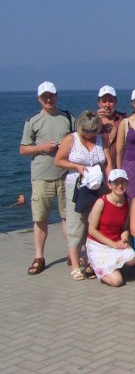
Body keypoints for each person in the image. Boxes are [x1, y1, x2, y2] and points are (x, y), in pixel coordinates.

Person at [21, 82, 75, 276]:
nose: (48, 99)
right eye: (44, 96)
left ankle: (72, 254)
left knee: (67, 217)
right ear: (39, 99)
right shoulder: (33, 120)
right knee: (40, 218)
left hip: (65, 175)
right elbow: (23, 149)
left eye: (51, 95)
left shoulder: (68, 118)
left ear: (56, 96)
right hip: (41, 176)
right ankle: (39, 257)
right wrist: (41, 148)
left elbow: (76, 140)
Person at [55, 110, 112, 280]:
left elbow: (108, 162)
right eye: (86, 131)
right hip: (77, 187)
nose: (89, 134)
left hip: (98, 186)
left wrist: (111, 181)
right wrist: (76, 166)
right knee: (76, 225)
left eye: (93, 130)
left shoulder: (102, 139)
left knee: (95, 224)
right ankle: (75, 265)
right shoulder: (71, 139)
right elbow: (58, 160)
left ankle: (91, 263)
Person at [86, 169, 135, 286]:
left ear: (127, 183)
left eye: (123, 182)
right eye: (116, 182)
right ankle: (94, 266)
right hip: (98, 244)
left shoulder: (127, 202)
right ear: (109, 185)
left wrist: (123, 240)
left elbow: (125, 228)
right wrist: (113, 244)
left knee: (132, 258)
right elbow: (92, 230)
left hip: (115, 242)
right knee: (117, 281)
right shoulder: (101, 202)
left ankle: (112, 266)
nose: (120, 185)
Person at [97, 85, 127, 164]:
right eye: (104, 101)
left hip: (121, 166)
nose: (107, 105)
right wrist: (94, 121)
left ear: (116, 102)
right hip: (99, 167)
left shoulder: (125, 119)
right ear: (99, 103)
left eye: (110, 101)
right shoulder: (92, 122)